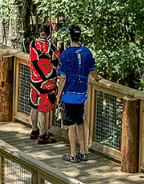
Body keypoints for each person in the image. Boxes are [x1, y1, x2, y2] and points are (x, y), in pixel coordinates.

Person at [56, 25, 95, 164]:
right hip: (81, 93)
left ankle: (73, 154)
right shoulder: (86, 52)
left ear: (69, 37)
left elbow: (62, 78)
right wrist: (99, 79)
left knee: (71, 125)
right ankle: (84, 152)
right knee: (80, 122)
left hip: (68, 94)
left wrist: (58, 96)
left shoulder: (65, 54)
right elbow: (93, 72)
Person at [28, 22, 59, 145]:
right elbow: (57, 61)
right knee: (43, 109)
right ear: (49, 33)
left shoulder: (33, 44)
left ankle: (34, 129)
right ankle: (43, 135)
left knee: (34, 106)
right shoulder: (51, 46)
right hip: (46, 81)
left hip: (34, 79)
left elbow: (33, 60)